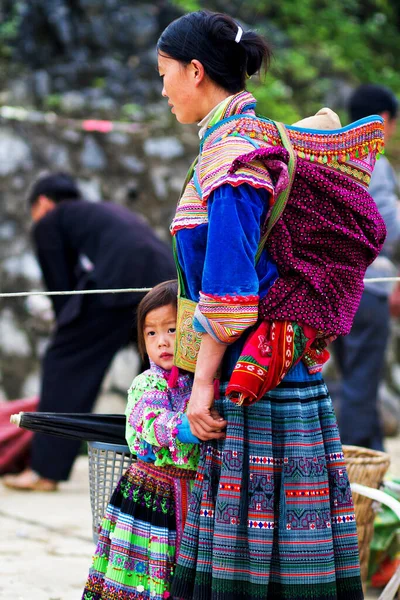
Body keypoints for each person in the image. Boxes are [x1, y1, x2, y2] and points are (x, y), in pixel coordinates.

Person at [156, 10, 386, 600]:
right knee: (291, 558)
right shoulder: (258, 141)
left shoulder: (231, 162)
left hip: (247, 391)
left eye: (164, 74)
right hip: (283, 377)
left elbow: (231, 300)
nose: (162, 90)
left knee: (252, 566)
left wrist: (201, 385)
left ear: (196, 71)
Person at [3, 173, 176, 492]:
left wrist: (65, 329)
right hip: (164, 285)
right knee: (161, 369)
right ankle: (159, 460)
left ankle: (45, 471)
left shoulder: (51, 219)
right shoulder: (103, 212)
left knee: (63, 361)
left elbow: (62, 287)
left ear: (42, 204)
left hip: (119, 284)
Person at [82, 279, 200, 600]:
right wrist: (187, 427)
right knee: (148, 575)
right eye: (151, 333)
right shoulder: (147, 383)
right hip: (151, 496)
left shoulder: (199, 383)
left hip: (192, 492)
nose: (162, 341)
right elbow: (151, 424)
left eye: (172, 330)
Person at [332, 84, 400, 451]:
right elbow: (389, 226)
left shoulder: (332, 154)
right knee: (362, 383)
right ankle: (355, 471)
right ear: (384, 120)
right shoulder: (376, 159)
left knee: (350, 378)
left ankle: (371, 459)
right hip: (368, 288)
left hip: (334, 289)